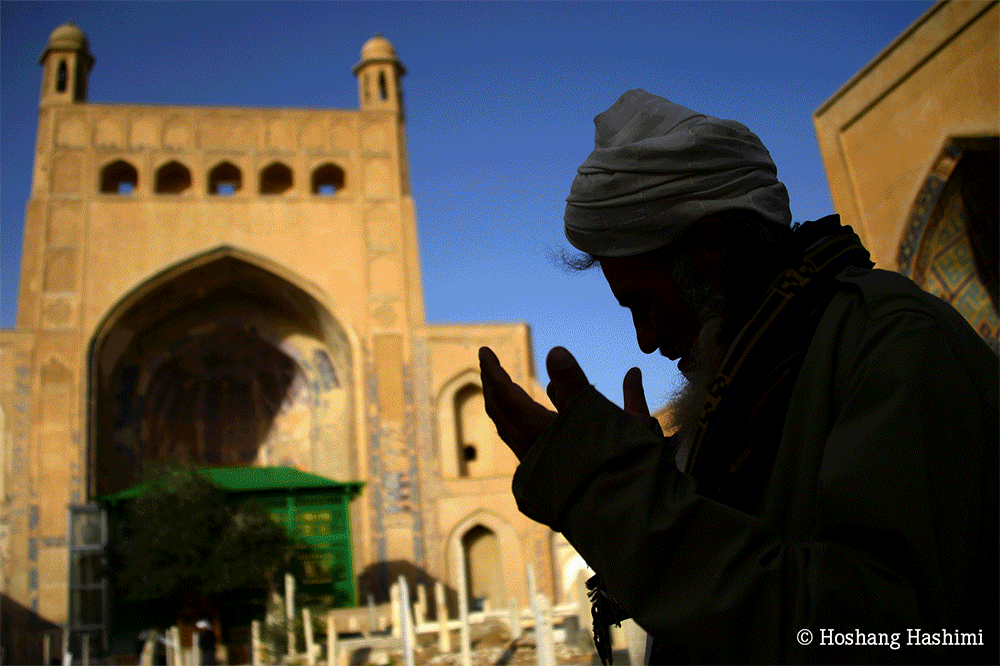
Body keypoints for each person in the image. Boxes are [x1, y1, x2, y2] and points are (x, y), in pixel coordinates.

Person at [479, 89, 998, 664]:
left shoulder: (892, 343)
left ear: (710, 249)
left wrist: (608, 493)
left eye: (643, 303)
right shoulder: (750, 382)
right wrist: (663, 483)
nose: (644, 340)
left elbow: (880, 633)